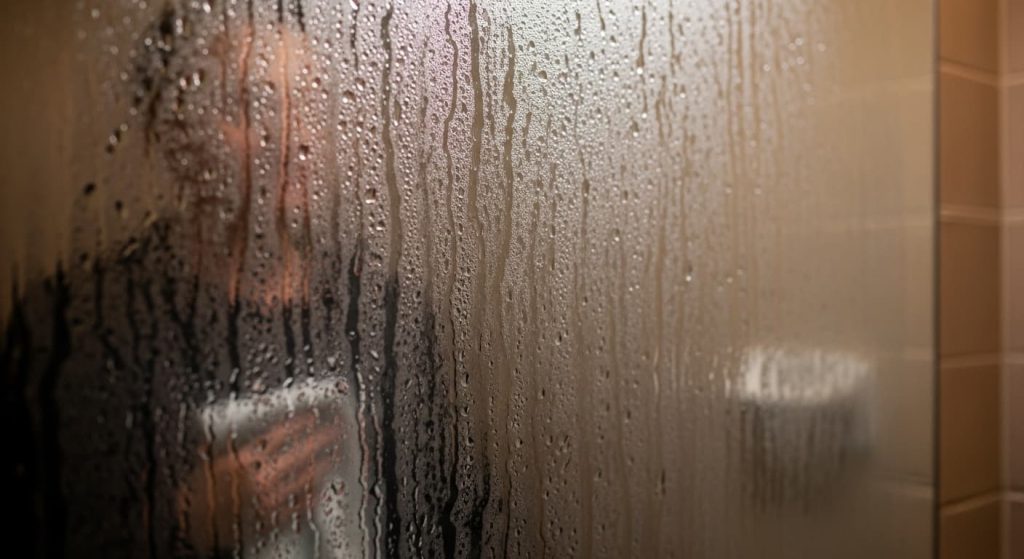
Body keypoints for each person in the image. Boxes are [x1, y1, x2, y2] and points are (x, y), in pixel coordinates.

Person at [3, 4, 466, 557]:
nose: (295, 136)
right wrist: (180, 523)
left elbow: (452, 513)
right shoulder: (81, 329)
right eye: (255, 105)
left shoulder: (388, 315)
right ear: (176, 134)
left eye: (312, 100)